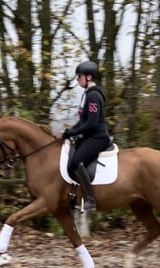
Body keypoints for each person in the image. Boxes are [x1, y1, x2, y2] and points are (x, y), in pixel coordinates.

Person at [62, 61, 111, 213]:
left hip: (98, 137)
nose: (77, 80)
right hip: (90, 136)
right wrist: (71, 131)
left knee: (76, 162)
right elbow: (83, 121)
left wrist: (73, 133)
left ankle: (90, 200)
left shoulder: (94, 95)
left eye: (80, 77)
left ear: (89, 77)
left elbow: (92, 123)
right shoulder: (87, 95)